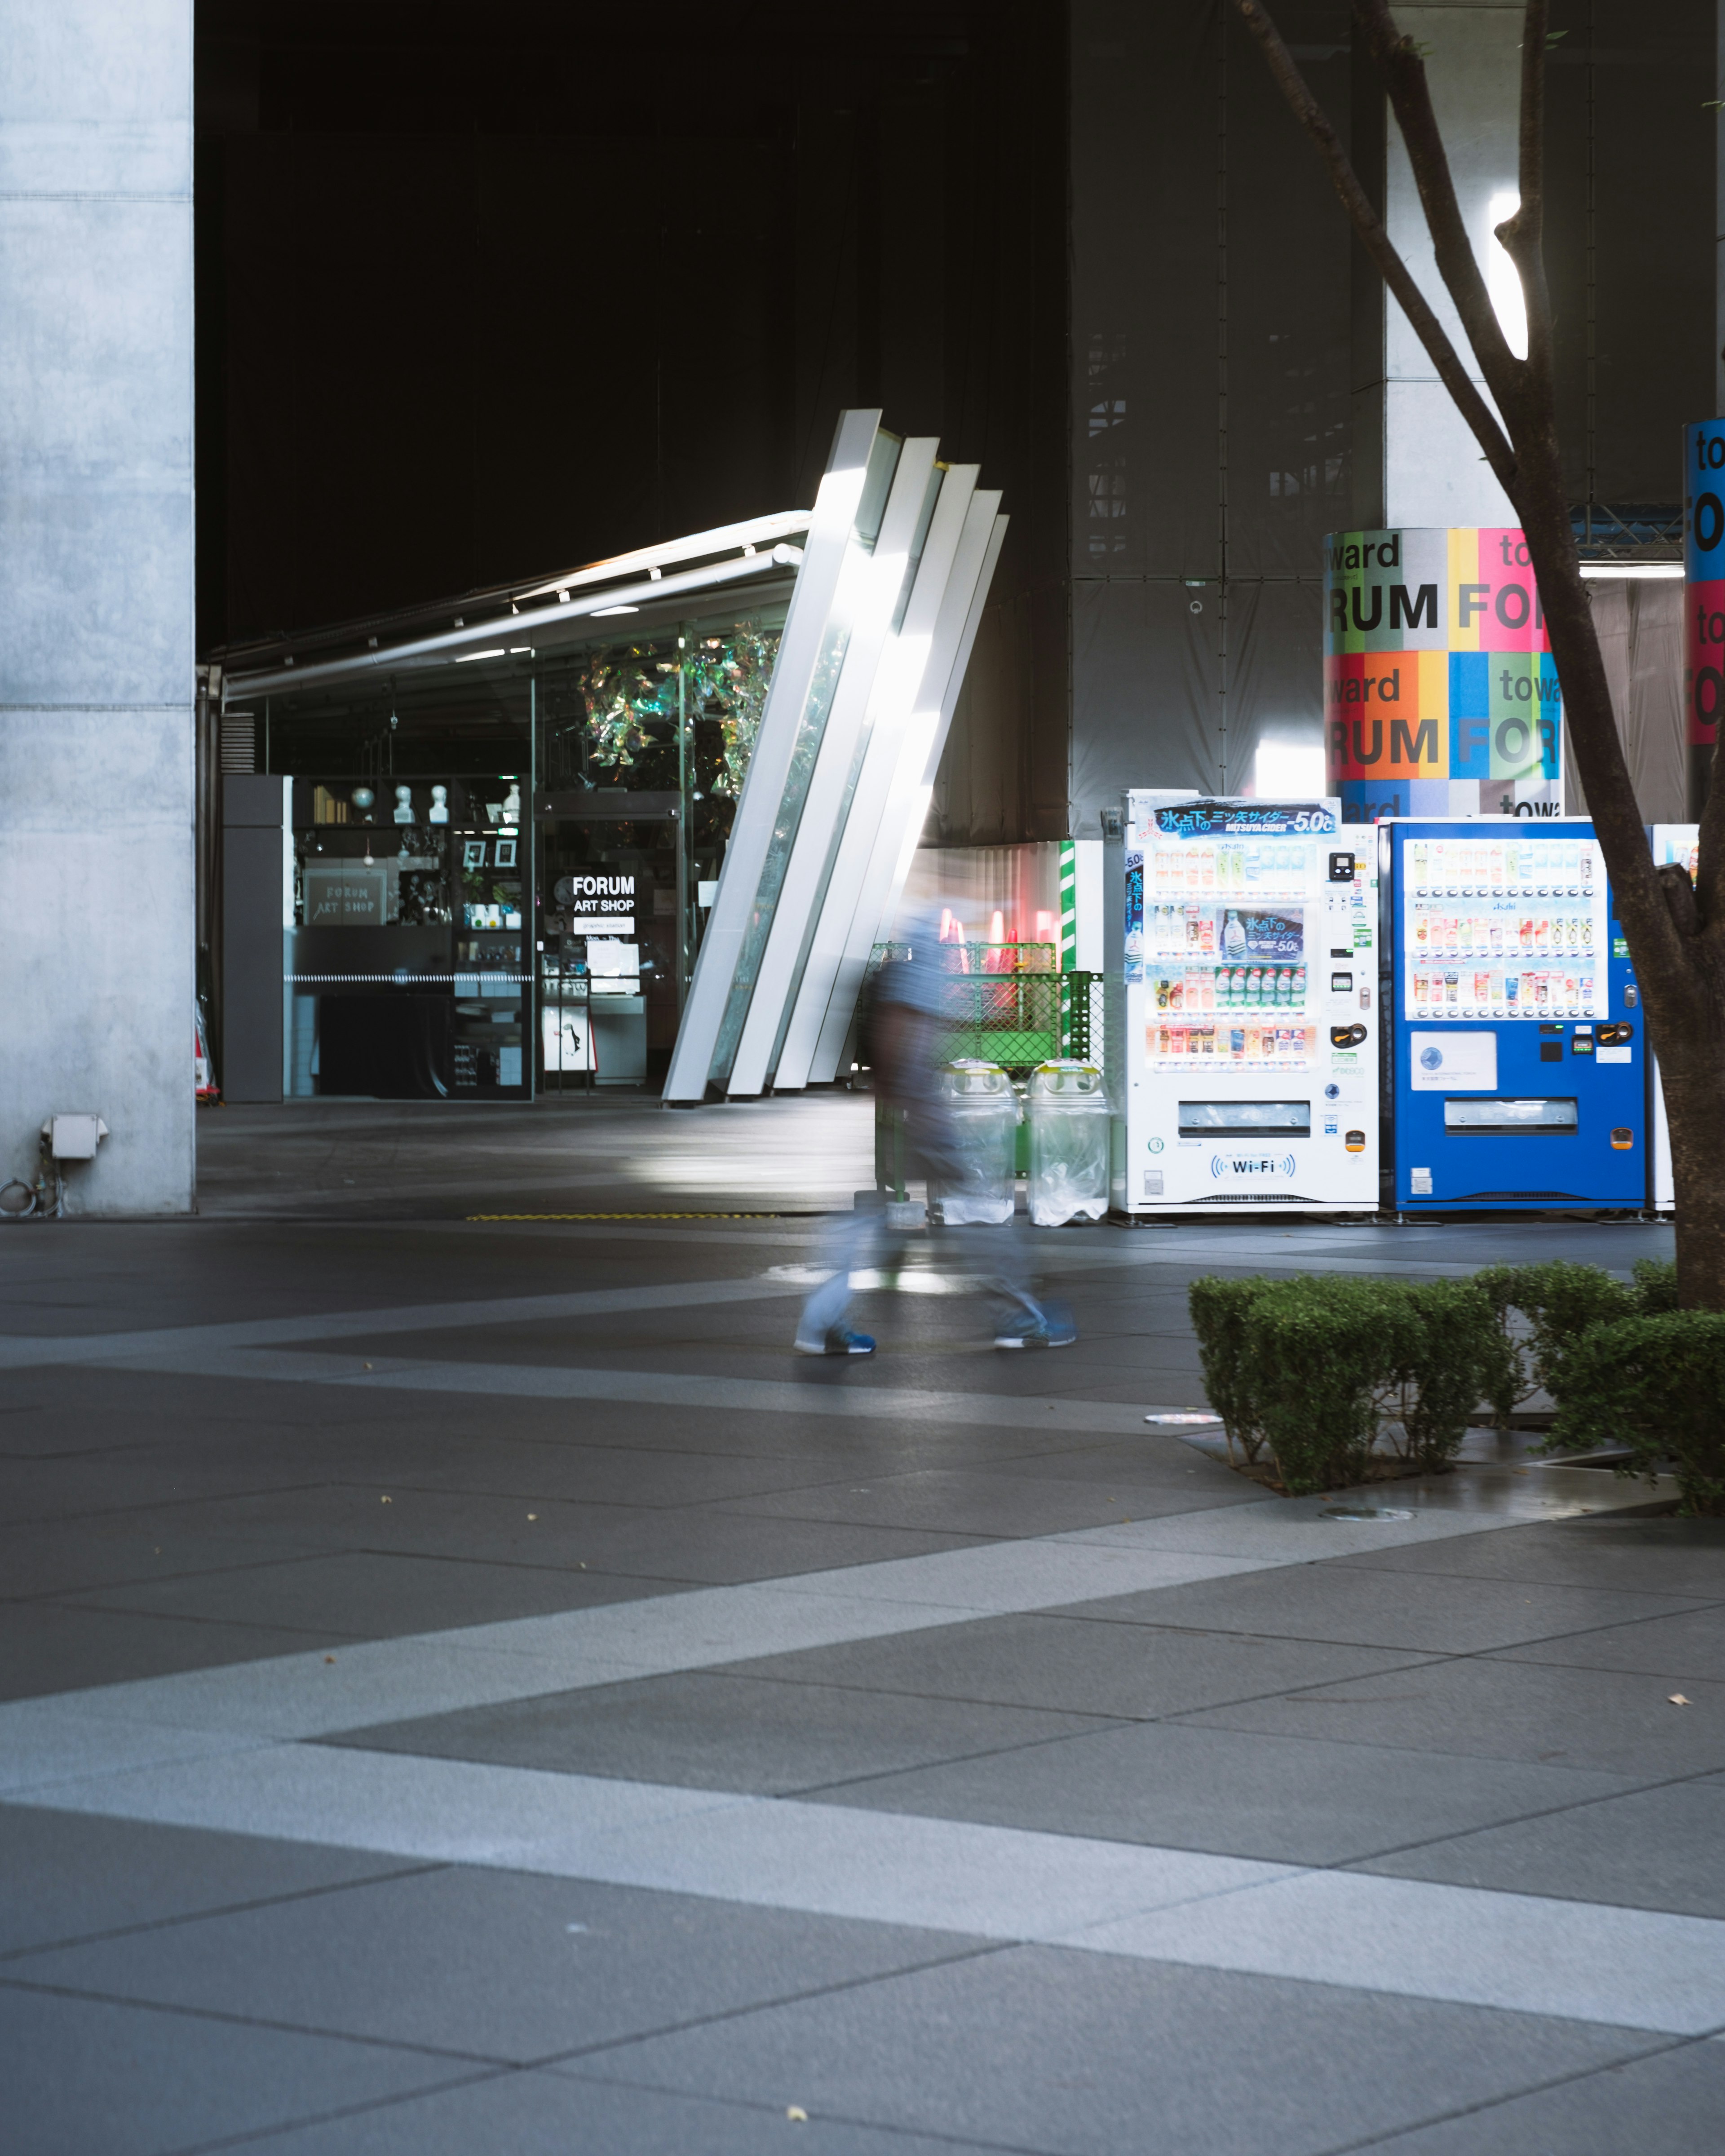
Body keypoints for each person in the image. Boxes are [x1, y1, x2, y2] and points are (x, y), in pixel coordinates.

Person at [795, 914, 1076, 1356]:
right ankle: (1019, 1317)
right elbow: (901, 1040)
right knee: (981, 1216)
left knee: (876, 1218)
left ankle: (825, 1318)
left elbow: (909, 1039)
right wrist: (918, 1109)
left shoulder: (900, 979)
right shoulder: (916, 980)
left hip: (913, 1116)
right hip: (927, 1121)